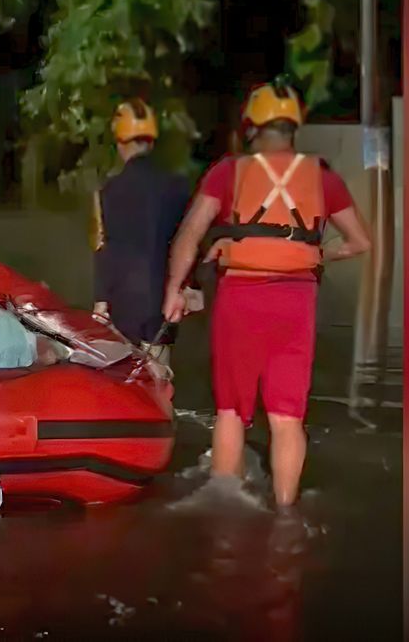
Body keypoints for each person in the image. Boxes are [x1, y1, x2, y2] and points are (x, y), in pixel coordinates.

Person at [162, 77, 371, 508]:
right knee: (287, 417)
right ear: (295, 128)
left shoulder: (228, 171)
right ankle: (286, 513)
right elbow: (359, 242)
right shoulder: (323, 176)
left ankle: (223, 516)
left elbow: (189, 234)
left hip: (242, 298)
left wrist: (175, 289)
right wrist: (310, 253)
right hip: (297, 302)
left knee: (231, 412)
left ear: (253, 128)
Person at [91, 96, 199, 363]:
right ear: (151, 142)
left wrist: (101, 300)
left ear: (119, 142)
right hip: (162, 303)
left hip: (122, 304)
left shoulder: (108, 191)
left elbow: (105, 248)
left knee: (126, 388)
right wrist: (188, 287)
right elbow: (187, 241)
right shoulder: (178, 185)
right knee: (158, 382)